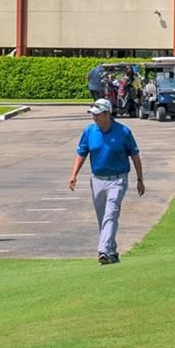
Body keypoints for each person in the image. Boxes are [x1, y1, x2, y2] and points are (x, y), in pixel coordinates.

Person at [68, 97, 144, 265]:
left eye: (98, 114)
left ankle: (103, 250)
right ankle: (111, 251)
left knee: (111, 213)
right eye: (93, 114)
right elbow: (81, 153)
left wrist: (140, 179)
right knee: (103, 218)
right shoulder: (89, 131)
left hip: (118, 180)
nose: (94, 117)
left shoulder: (123, 132)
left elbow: (135, 156)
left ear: (108, 113)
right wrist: (74, 174)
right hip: (97, 180)